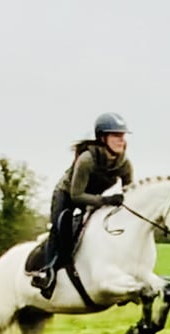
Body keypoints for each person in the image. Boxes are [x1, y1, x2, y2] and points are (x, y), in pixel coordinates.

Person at [30, 112, 134, 295]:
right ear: (103, 138)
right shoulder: (87, 159)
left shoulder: (124, 163)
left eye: (122, 136)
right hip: (67, 195)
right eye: (116, 136)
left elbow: (130, 192)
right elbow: (76, 195)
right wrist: (105, 200)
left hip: (92, 197)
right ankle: (47, 272)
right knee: (62, 227)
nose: (121, 140)